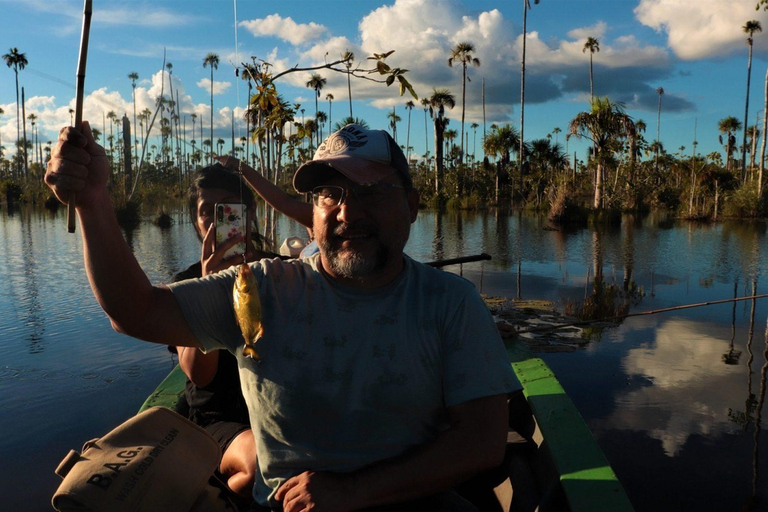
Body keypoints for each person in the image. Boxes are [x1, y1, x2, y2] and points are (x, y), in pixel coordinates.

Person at [46, 122, 520, 512]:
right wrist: (93, 201)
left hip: (415, 499)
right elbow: (134, 311)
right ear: (311, 215)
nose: (347, 211)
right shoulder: (261, 286)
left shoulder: (451, 303)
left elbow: (482, 442)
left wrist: (353, 492)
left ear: (412, 206)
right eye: (329, 195)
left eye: (372, 190)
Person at [173, 164, 277, 502]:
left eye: (229, 209)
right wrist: (208, 288)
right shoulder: (185, 285)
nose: (218, 223)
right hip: (219, 417)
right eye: (207, 212)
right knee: (260, 462)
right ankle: (218, 502)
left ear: (249, 214)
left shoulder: (280, 273)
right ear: (195, 221)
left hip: (276, 406)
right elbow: (199, 376)